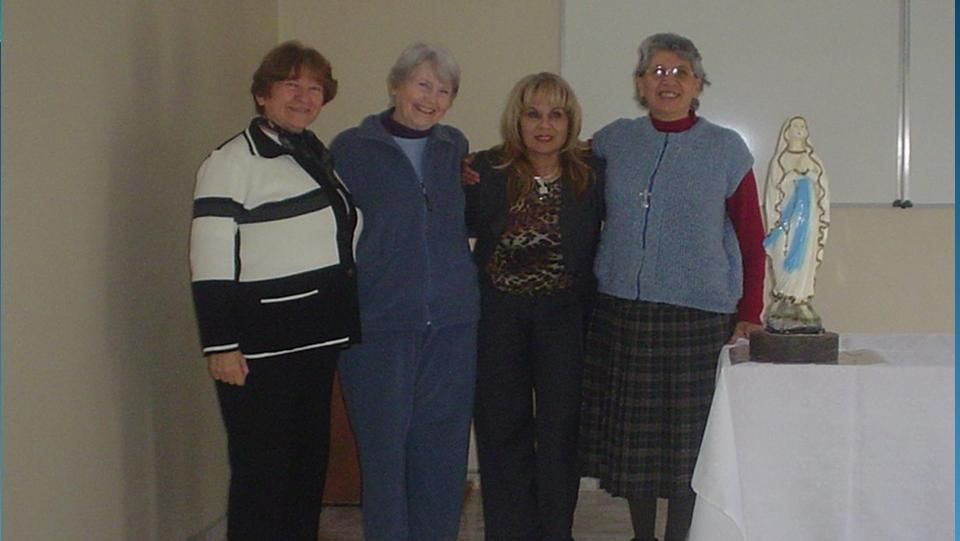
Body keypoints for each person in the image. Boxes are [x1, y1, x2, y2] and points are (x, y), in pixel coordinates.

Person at [578, 33, 766, 541]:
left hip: (698, 317)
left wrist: (750, 312)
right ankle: (642, 535)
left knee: (688, 446)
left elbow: (752, 238)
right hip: (626, 313)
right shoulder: (614, 141)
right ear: (640, 84)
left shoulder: (726, 149)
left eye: (681, 72)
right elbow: (552, 159)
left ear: (698, 84)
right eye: (657, 72)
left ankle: (680, 535)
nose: (669, 81)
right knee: (634, 446)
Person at [189, 41, 359, 541]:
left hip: (315, 340)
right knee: (262, 478)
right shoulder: (231, 161)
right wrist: (220, 345)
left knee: (305, 471)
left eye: (315, 88)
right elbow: (210, 259)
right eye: (291, 85)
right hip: (260, 350)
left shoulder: (311, 153)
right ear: (263, 93)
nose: (304, 97)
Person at [329, 42, 479, 541]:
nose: (431, 98)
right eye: (422, 85)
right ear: (396, 86)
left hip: (453, 324)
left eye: (444, 90)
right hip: (380, 325)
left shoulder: (452, 146)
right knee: (384, 454)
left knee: (442, 453)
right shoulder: (350, 149)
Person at [465, 72, 604, 541]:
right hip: (498, 315)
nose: (545, 125)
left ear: (570, 122)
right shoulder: (485, 170)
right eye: (533, 114)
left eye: (556, 115)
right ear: (517, 119)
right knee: (501, 427)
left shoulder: (592, 174)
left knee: (561, 430)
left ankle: (554, 531)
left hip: (563, 317)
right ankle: (509, 531)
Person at [763, 115, 830, 332]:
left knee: (806, 258)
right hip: (786, 221)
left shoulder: (813, 160)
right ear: (787, 132)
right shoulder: (780, 160)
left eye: (802, 126)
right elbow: (773, 193)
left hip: (808, 220)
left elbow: (822, 190)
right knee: (782, 255)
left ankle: (801, 299)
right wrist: (792, 178)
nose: (799, 129)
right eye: (795, 126)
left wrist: (809, 179)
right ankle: (785, 298)